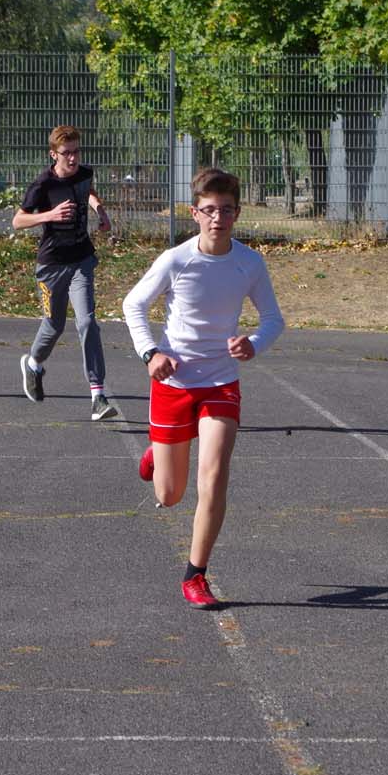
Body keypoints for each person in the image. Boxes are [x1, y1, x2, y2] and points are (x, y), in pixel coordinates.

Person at [123, 167, 284, 609]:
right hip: (173, 382)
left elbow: (274, 319)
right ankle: (157, 453)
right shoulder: (177, 259)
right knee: (169, 495)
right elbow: (133, 304)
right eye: (209, 210)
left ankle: (196, 575)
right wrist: (151, 354)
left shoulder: (248, 263)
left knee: (213, 477)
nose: (218, 218)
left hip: (220, 382)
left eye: (226, 210)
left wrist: (253, 343)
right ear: (194, 213)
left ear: (237, 212)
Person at [14, 125, 117, 421]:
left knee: (87, 323)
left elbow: (88, 191)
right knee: (54, 325)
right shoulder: (43, 184)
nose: (72, 158)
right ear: (53, 154)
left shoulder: (85, 173)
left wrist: (100, 210)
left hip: (82, 260)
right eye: (66, 153)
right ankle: (33, 362)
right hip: (51, 266)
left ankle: (98, 395)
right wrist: (50, 215)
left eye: (76, 151)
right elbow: (18, 221)